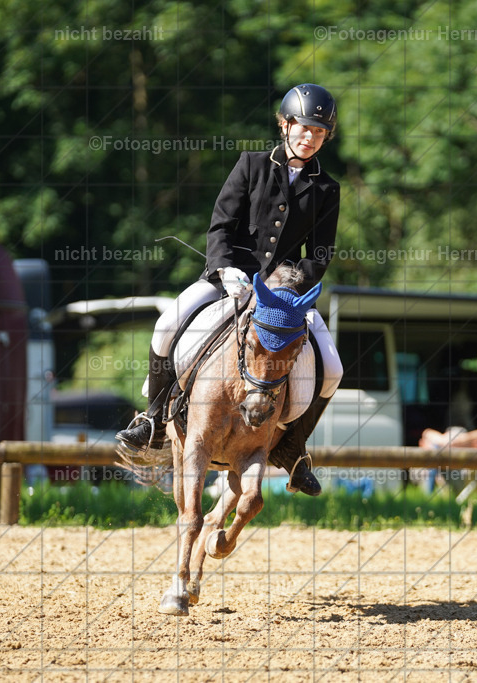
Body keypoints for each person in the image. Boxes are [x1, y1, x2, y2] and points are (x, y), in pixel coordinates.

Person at [116, 84, 344, 497]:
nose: (309, 137)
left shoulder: (327, 189)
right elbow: (221, 225)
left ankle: (293, 448)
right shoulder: (251, 165)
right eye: (304, 128)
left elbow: (320, 254)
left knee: (332, 367)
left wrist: (288, 287)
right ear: (285, 124)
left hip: (284, 296)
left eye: (319, 132)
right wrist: (224, 269)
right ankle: (151, 421)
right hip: (230, 281)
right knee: (168, 324)